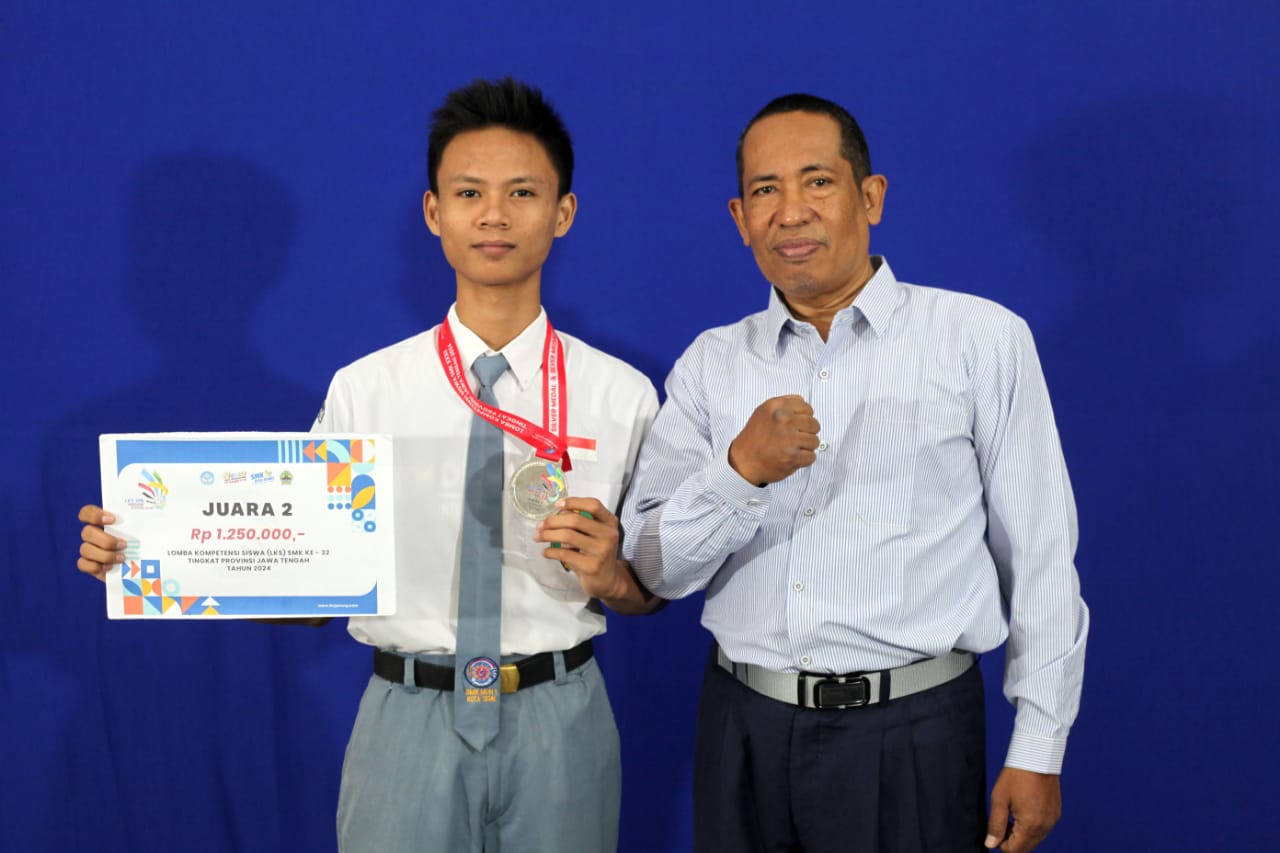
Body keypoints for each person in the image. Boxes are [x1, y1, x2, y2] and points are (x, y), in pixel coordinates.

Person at [77, 77, 661, 853]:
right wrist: (149, 550)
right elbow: (311, 588)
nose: (494, 214)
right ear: (434, 213)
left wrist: (615, 576)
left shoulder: (622, 394)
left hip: (562, 716)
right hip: (405, 718)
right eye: (468, 192)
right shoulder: (366, 389)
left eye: (522, 192)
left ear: (563, 212)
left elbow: (652, 590)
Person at [621, 94, 1088, 853]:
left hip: (914, 735)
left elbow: (1040, 555)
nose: (791, 211)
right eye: (765, 191)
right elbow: (652, 566)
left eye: (817, 181)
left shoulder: (979, 339)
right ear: (740, 219)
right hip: (742, 726)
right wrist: (739, 473)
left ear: (870, 197)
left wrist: (1039, 744)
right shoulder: (712, 362)